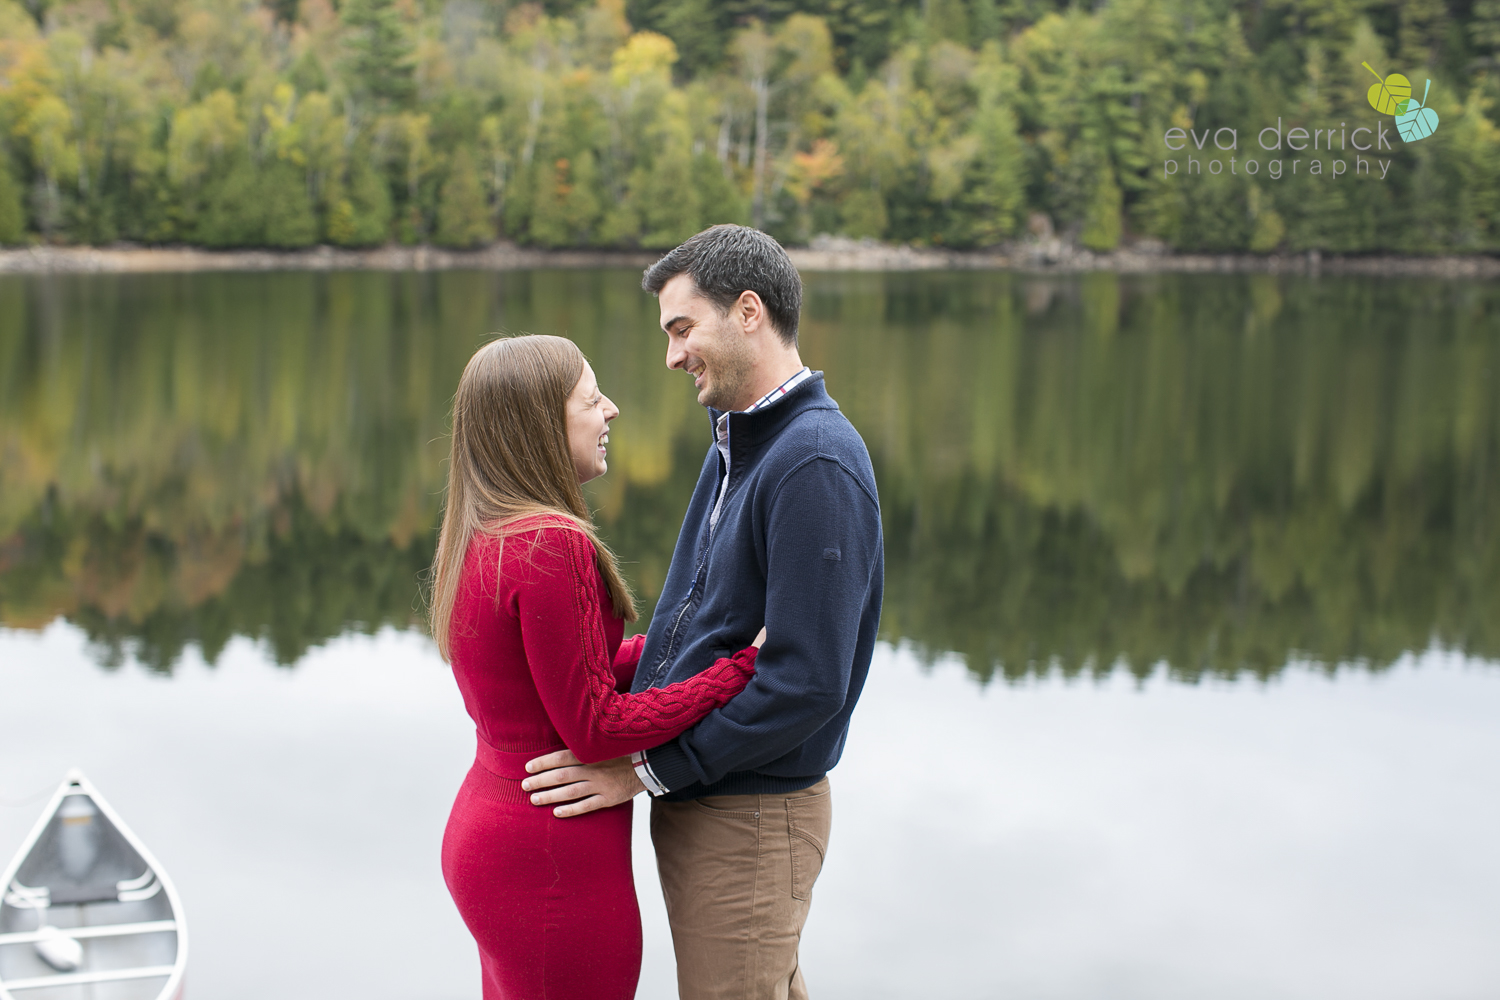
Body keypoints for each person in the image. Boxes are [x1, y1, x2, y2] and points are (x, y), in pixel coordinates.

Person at [522, 225, 885, 1000]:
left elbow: (808, 680)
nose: (672, 355)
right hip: (715, 801)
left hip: (752, 814)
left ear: (748, 311)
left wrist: (648, 768)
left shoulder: (813, 459)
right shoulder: (739, 442)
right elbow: (703, 625)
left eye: (683, 329)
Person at [429, 334, 766, 1000]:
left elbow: (562, 675)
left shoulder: (488, 531)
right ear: (542, 429)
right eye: (590, 398)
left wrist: (689, 645)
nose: (610, 409)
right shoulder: (550, 544)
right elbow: (597, 727)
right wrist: (739, 668)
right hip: (548, 861)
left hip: (494, 834)